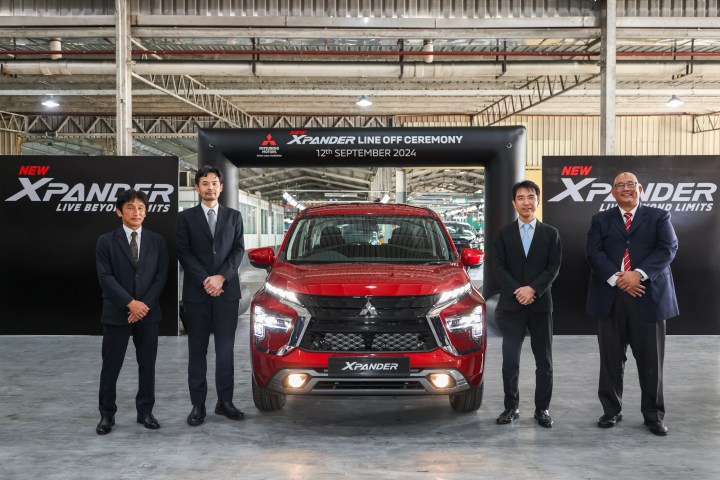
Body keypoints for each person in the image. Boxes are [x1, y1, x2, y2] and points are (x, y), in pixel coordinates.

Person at [586, 172, 678, 436]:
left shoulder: (659, 216)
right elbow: (593, 252)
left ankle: (653, 415)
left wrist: (638, 274)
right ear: (613, 192)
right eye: (620, 185)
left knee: (651, 361)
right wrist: (619, 279)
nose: (626, 188)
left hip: (648, 296)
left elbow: (668, 248)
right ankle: (611, 410)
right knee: (611, 359)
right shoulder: (600, 219)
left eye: (630, 184)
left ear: (640, 189)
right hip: (610, 297)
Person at [95, 188, 169, 435]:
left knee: (147, 365)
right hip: (117, 313)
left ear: (145, 212)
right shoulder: (106, 241)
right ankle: (107, 415)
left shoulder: (157, 241)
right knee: (111, 365)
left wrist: (142, 305)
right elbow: (105, 277)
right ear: (119, 212)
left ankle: (145, 412)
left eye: (140, 208)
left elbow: (161, 276)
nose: (136, 212)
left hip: (148, 313)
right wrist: (130, 303)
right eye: (130, 208)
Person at [176, 165, 245, 426]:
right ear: (197, 187)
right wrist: (206, 279)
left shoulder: (234, 217)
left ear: (221, 187)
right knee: (197, 351)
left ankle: (225, 402)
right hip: (197, 294)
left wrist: (221, 277)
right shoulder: (185, 218)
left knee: (225, 351)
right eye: (205, 183)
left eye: (214, 183)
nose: (210, 187)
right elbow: (183, 252)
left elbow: (238, 250)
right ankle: (198, 405)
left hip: (226, 293)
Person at [493, 180, 562, 428]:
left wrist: (532, 289)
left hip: (540, 305)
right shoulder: (503, 234)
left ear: (538, 201)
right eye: (521, 198)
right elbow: (498, 267)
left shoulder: (551, 234)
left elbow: (553, 267)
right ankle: (510, 407)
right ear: (514, 203)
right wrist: (518, 291)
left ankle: (542, 409)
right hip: (512, 307)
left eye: (531, 197)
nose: (526, 202)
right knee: (510, 361)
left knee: (544, 361)